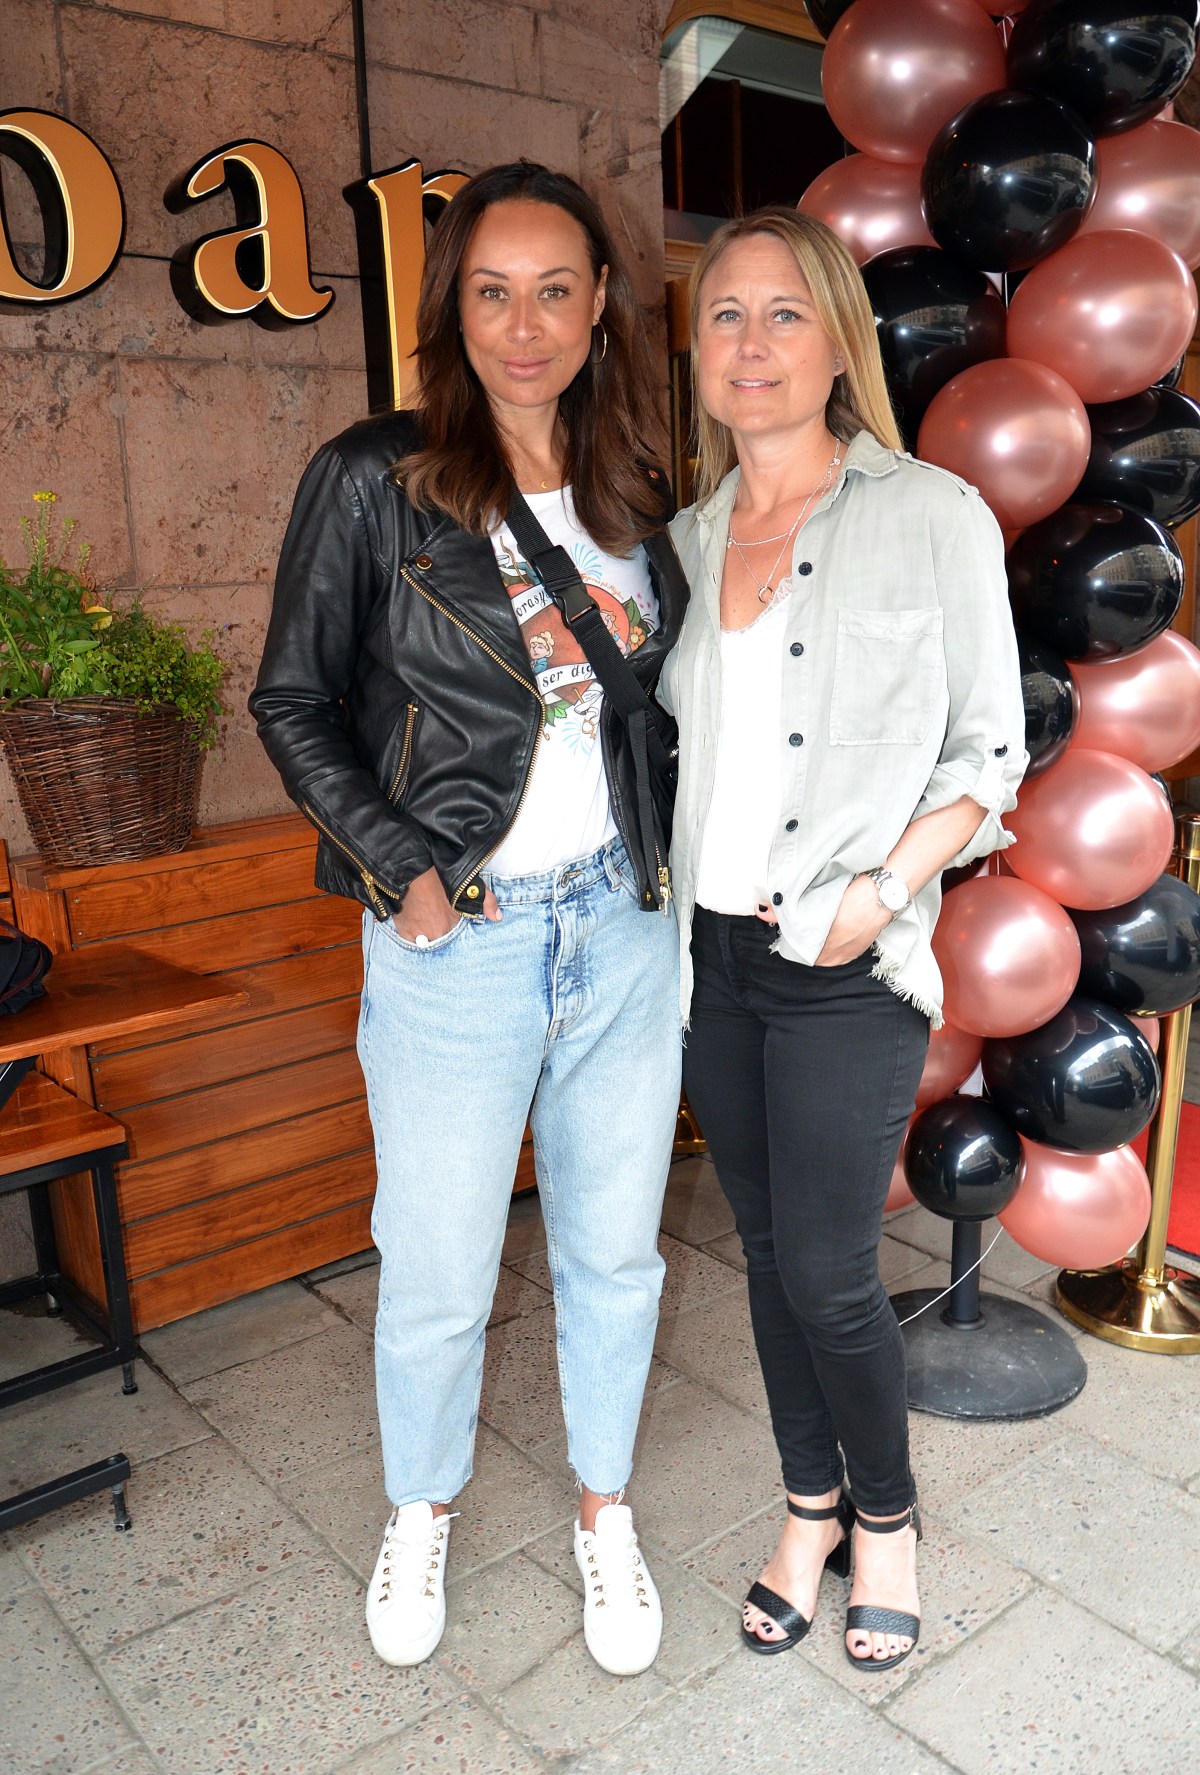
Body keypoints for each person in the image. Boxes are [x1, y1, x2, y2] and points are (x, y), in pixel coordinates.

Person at [251, 162, 688, 1677]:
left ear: (599, 306)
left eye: (556, 291)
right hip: (461, 937)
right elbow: (292, 701)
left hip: (621, 931)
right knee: (439, 1268)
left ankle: (604, 1510)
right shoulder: (374, 478)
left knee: (615, 1255)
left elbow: (657, 715)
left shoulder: (637, 491)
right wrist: (407, 872)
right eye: (493, 292)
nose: (526, 325)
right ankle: (420, 1508)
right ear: (451, 307)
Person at [658, 208, 1026, 1672]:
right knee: (764, 1256)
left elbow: (988, 751)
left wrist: (879, 892)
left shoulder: (932, 514)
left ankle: (887, 1518)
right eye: (724, 315)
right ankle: (806, 1504)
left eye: (784, 314)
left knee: (824, 1269)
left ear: (838, 345)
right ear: (697, 351)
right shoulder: (686, 541)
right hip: (710, 962)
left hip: (845, 964)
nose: (750, 344)